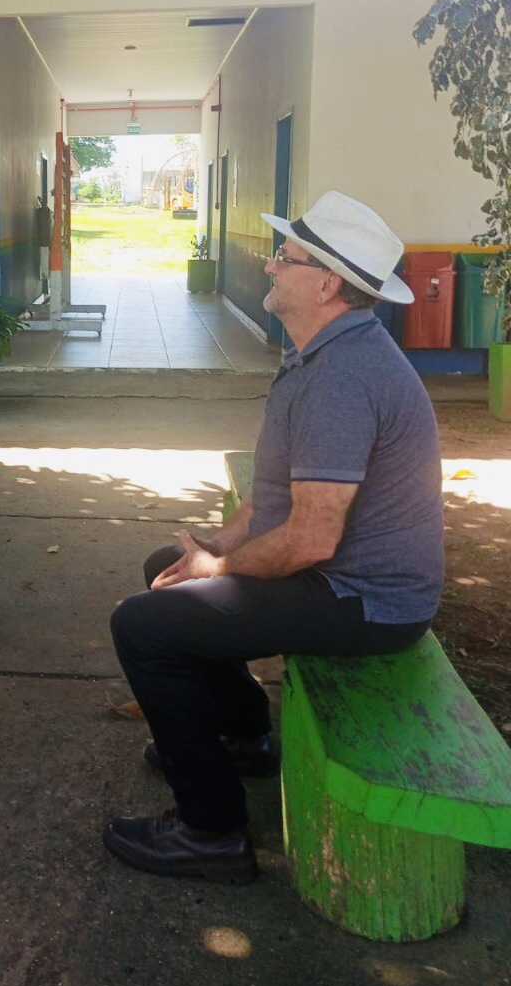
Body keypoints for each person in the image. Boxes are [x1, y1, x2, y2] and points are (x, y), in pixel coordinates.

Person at [103, 191, 444, 883]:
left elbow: (311, 539)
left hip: (368, 600)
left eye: (284, 259)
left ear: (325, 284)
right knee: (165, 566)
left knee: (143, 628)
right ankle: (241, 734)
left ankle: (210, 830)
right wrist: (210, 553)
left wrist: (218, 565)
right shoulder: (324, 353)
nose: (269, 268)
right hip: (343, 578)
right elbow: (272, 500)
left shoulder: (345, 375)